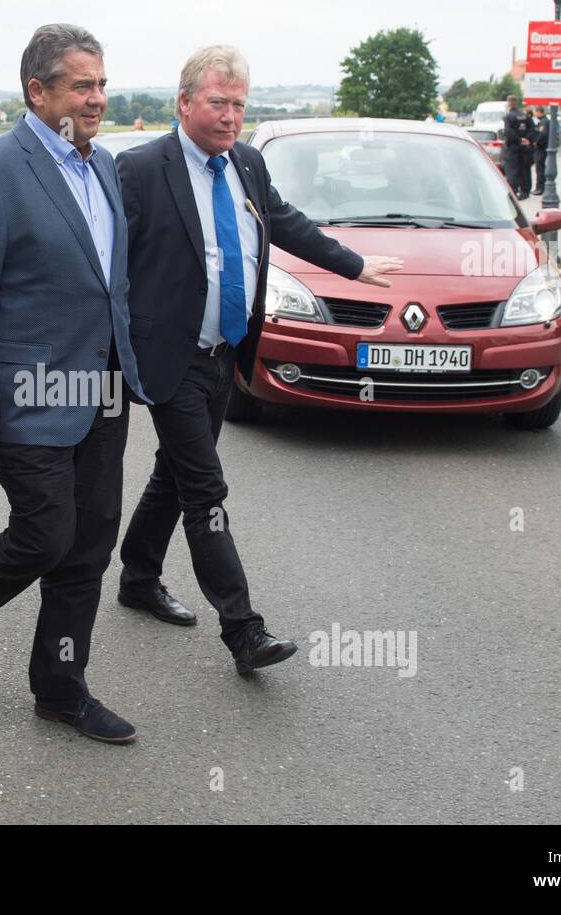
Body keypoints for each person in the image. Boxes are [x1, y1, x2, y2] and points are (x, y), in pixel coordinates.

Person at [114, 45, 403, 673]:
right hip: (170, 357)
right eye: (218, 102)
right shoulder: (138, 169)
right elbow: (108, 263)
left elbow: (284, 223)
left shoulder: (246, 164)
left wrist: (353, 265)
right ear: (185, 103)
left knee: (176, 472)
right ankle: (243, 630)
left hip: (228, 352)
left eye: (239, 104)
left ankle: (137, 578)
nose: (230, 115)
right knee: (205, 488)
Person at [0, 23, 148, 744]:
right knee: (47, 532)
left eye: (103, 83)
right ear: (37, 90)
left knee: (88, 546)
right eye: (83, 85)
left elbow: (110, 286)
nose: (98, 98)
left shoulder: (102, 165)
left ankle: (60, 688)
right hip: (27, 393)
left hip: (101, 389)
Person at [502, 95, 530, 199]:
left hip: (513, 147)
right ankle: (525, 191)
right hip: (524, 147)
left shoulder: (508, 116)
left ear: (509, 103)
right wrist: (526, 139)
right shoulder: (524, 115)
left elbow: (508, 132)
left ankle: (513, 191)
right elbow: (532, 129)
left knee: (512, 169)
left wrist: (518, 140)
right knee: (523, 169)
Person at [532, 106, 549, 195]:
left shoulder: (544, 122)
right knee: (540, 168)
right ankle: (540, 187)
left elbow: (542, 135)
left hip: (541, 149)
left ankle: (540, 188)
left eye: (535, 112)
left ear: (539, 112)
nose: (534, 114)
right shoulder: (544, 121)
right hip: (543, 148)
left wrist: (536, 143)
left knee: (540, 168)